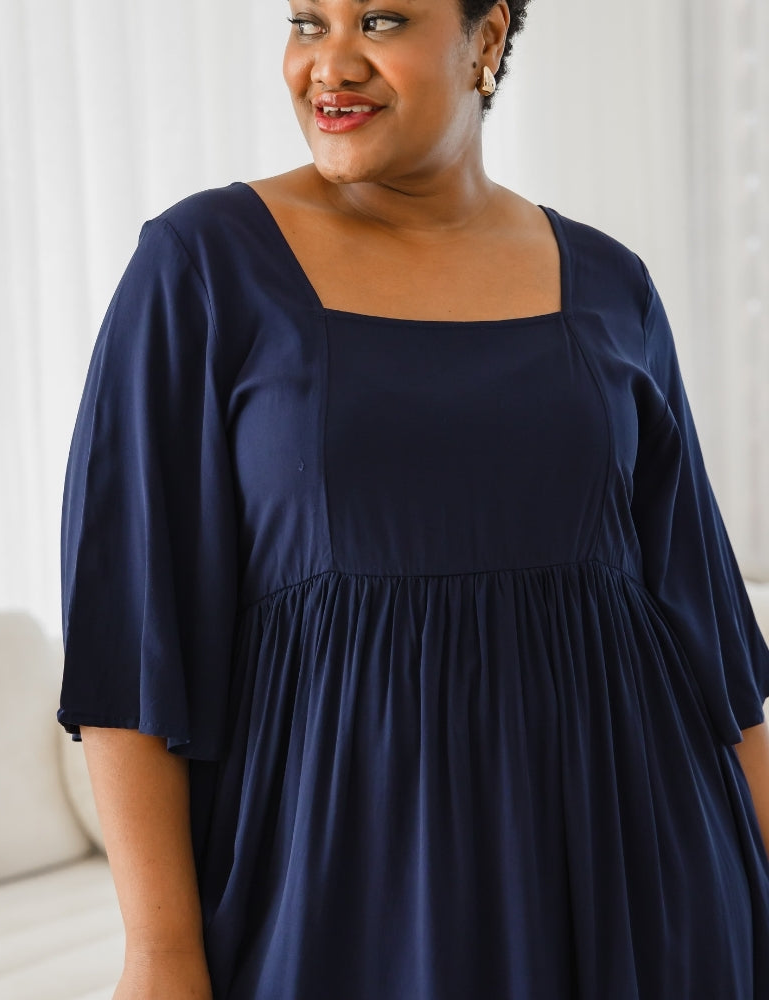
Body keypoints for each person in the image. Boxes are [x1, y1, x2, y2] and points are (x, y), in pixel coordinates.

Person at [58, 1, 769, 997]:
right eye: (309, 22)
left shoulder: (614, 286)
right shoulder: (203, 265)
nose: (330, 65)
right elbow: (131, 647)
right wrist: (160, 951)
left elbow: (713, 647)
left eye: (381, 20)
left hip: (643, 888)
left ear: (485, 38)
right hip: (345, 896)